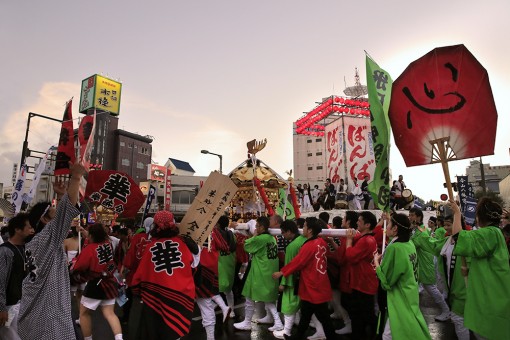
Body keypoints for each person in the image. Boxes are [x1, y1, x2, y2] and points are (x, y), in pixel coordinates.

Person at [18, 163, 85, 340]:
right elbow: (67, 210)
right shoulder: (46, 238)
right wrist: (76, 177)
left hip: (33, 312)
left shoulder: (33, 243)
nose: (57, 209)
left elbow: (63, 212)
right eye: (53, 211)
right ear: (44, 218)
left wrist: (61, 193)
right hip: (50, 316)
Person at [131, 210, 200, 340]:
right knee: (175, 330)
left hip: (156, 296)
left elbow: (139, 275)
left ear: (155, 226)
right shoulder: (182, 244)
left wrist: (136, 291)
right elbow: (193, 267)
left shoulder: (151, 247)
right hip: (181, 295)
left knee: (158, 330)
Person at [452, 197, 510, 340]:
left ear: (479, 217)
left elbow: (458, 238)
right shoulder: (496, 233)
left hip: (490, 300)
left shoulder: (490, 233)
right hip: (495, 294)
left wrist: (457, 214)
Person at [272, 217, 336, 340]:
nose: (303, 228)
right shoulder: (321, 242)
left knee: (322, 318)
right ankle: (298, 336)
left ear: (310, 230)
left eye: (305, 226)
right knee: (307, 315)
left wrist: (282, 273)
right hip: (319, 284)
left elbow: (298, 262)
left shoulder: (309, 245)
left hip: (313, 286)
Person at [412, 206, 470, 340]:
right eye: (445, 225)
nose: (446, 229)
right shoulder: (447, 240)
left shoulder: (469, 240)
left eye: (450, 225)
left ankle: (446, 311)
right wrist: (422, 235)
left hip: (465, 290)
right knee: (460, 321)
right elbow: (432, 245)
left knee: (462, 321)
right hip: (454, 290)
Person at [373, 213, 431, 340]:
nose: (386, 227)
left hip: (400, 296)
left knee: (389, 334)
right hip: (410, 293)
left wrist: (377, 264)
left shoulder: (395, 248)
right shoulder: (409, 243)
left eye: (388, 224)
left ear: (395, 229)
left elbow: (387, 281)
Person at [72, 223, 123, 340]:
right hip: (109, 282)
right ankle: (119, 338)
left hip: (95, 284)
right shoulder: (107, 245)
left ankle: (88, 339)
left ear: (91, 235)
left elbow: (79, 267)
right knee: (110, 313)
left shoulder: (89, 249)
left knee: (84, 313)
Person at [233, 216, 281, 332]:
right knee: (256, 297)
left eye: (257, 226)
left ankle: (278, 323)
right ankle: (248, 322)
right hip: (265, 270)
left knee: (266, 299)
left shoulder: (261, 238)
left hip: (261, 271)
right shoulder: (271, 238)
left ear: (262, 227)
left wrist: (253, 236)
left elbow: (247, 246)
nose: (255, 227)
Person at [339, 211, 378, 339]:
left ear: (367, 225)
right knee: (363, 314)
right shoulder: (367, 238)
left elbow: (350, 256)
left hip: (363, 283)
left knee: (362, 315)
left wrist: (349, 240)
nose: (357, 222)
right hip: (363, 282)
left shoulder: (366, 240)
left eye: (360, 221)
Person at [409, 207, 450, 322]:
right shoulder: (416, 229)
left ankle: (446, 310)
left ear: (418, 217)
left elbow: (413, 244)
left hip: (424, 263)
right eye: (410, 215)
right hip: (418, 263)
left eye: (412, 215)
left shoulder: (422, 231)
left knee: (430, 287)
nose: (410, 217)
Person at [0, 213, 34, 340]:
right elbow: (0, 281)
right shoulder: (5, 251)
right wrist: (1, 307)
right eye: (29, 227)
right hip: (10, 305)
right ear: (17, 229)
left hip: (23, 303)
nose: (32, 230)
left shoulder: (26, 249)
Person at [272, 220, 307, 339]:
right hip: (307, 279)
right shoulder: (304, 240)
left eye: (283, 232)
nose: (282, 235)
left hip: (295, 280)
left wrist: (283, 283)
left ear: (289, 231)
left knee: (288, 306)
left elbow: (290, 266)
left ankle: (286, 331)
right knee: (311, 309)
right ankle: (320, 331)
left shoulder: (292, 246)